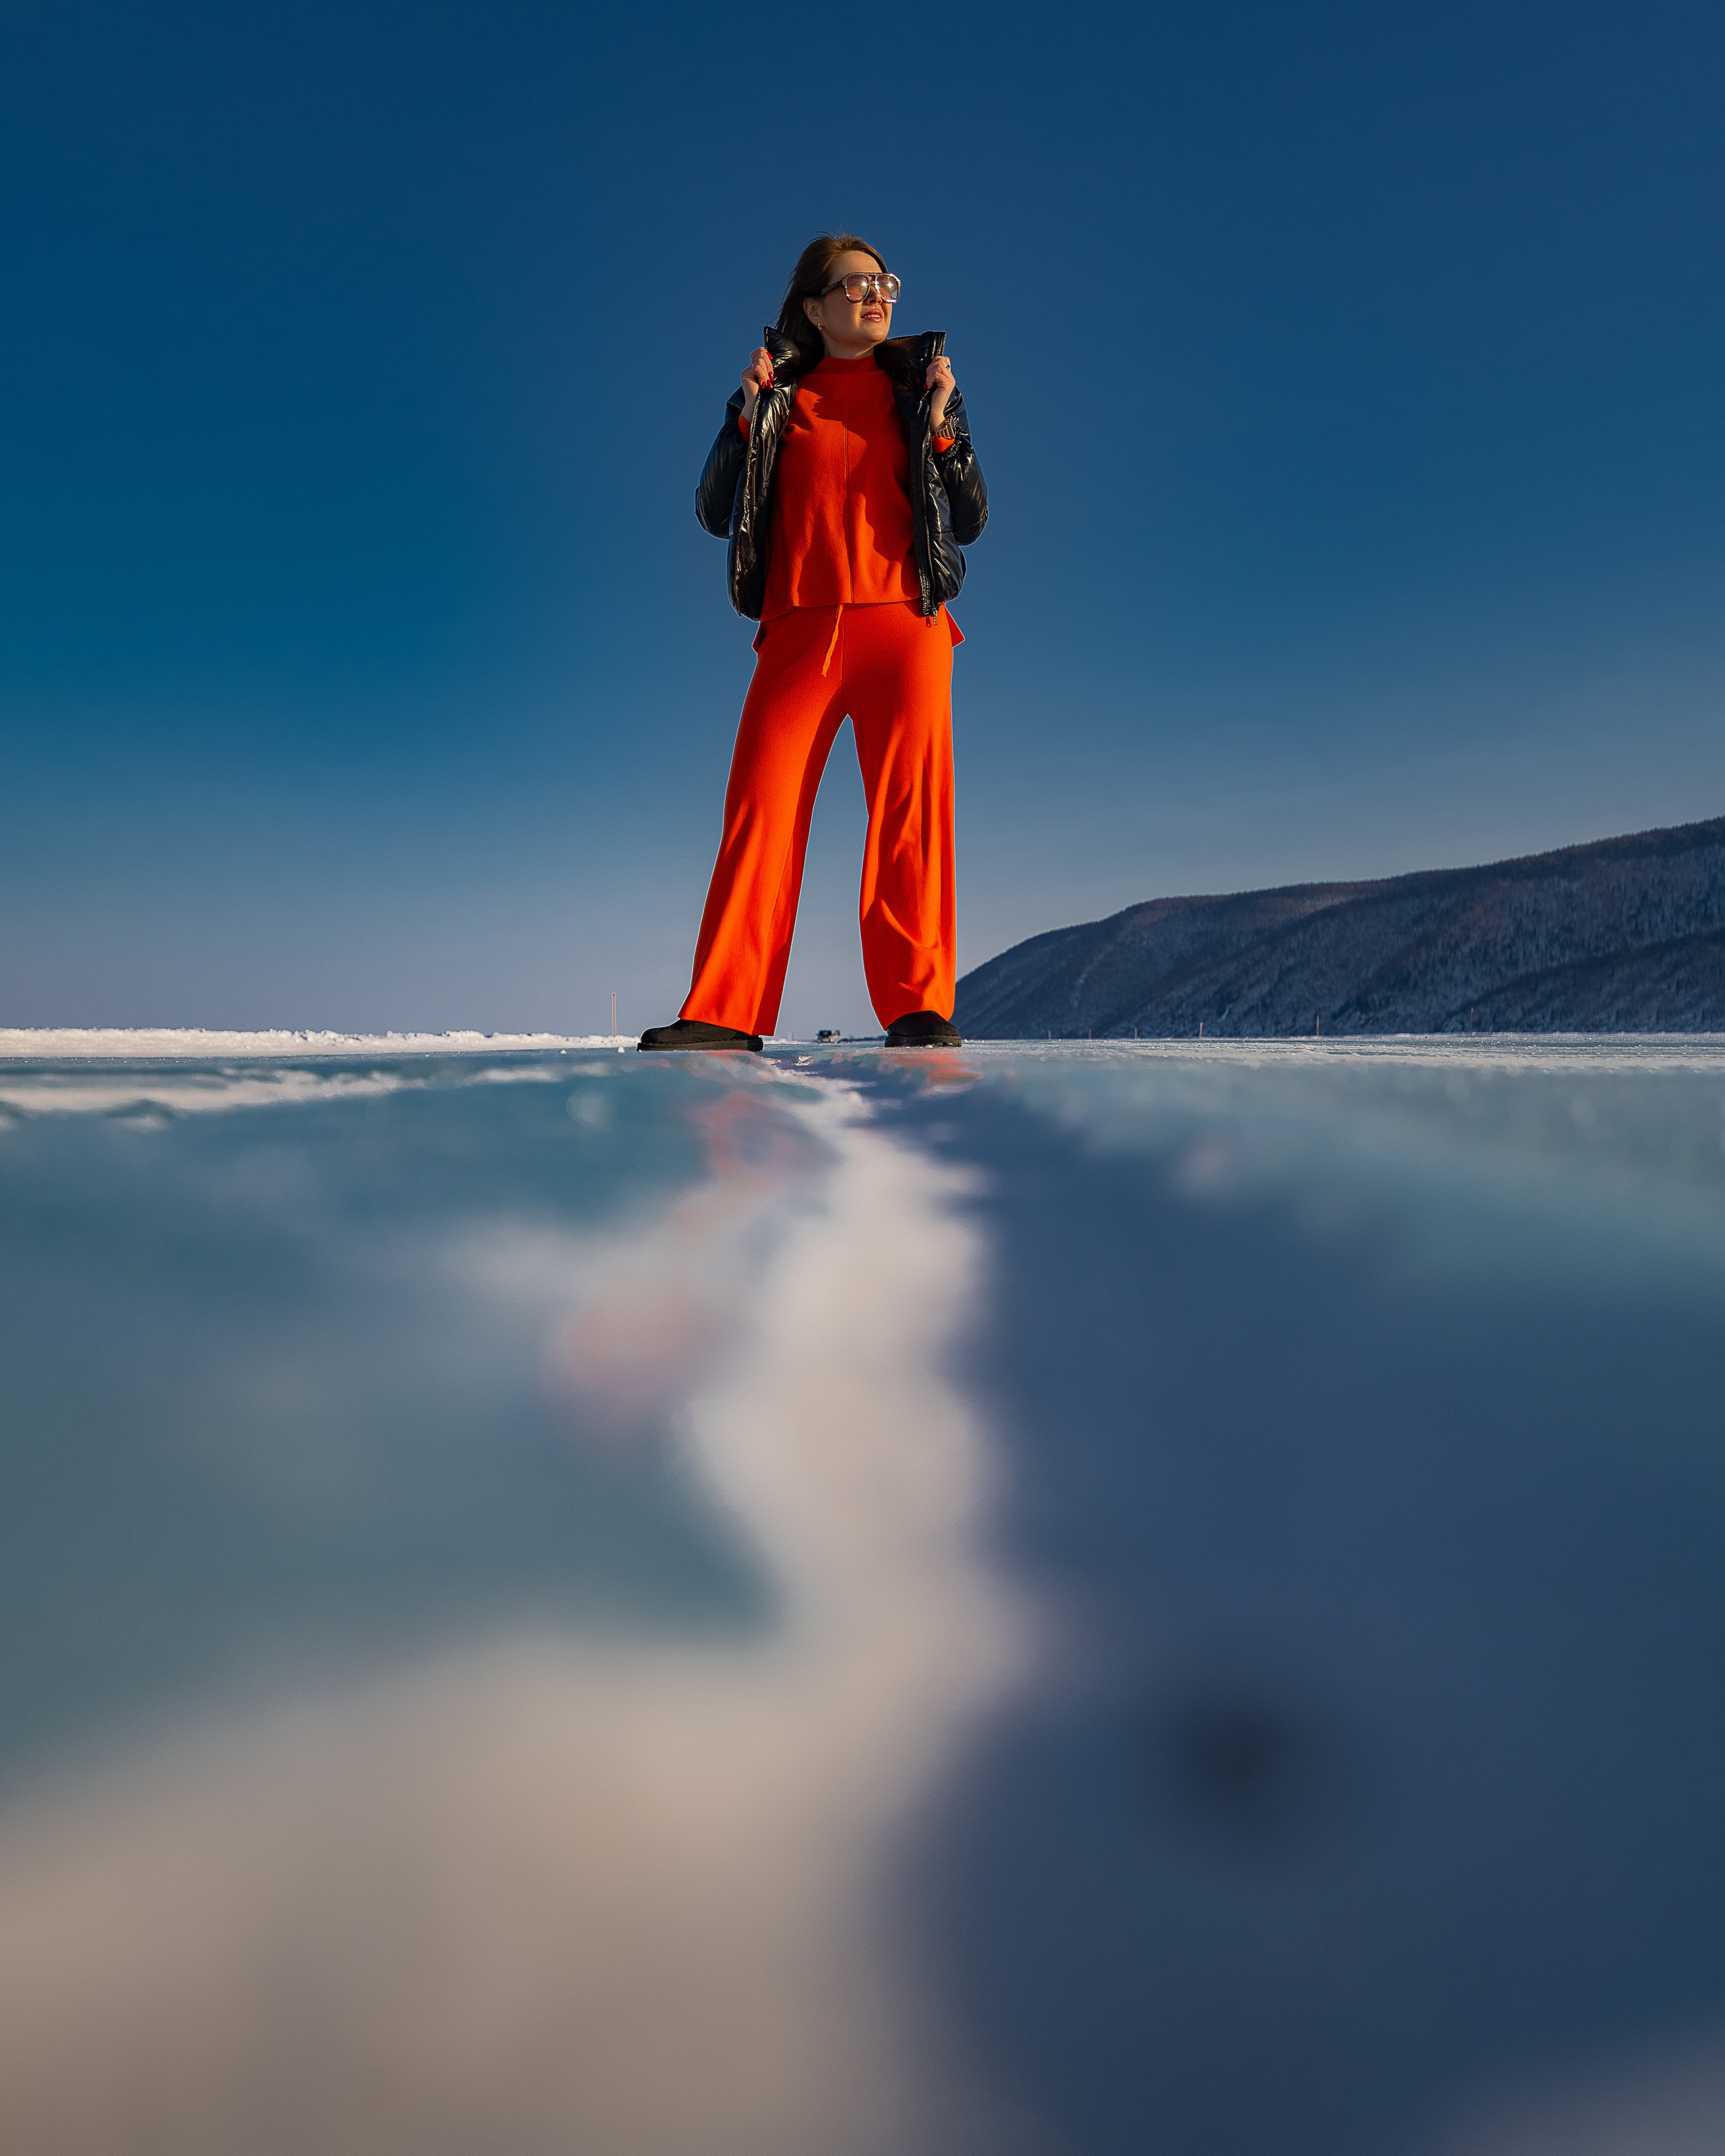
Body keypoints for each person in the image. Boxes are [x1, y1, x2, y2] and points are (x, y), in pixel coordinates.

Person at [638, 232, 987, 1052]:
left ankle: (918, 1007)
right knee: (760, 810)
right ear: (812, 306)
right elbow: (714, 509)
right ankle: (725, 1011)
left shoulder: (920, 389)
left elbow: (969, 518)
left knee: (910, 816)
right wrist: (742, 412)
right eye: (856, 283)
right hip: (797, 630)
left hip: (904, 622)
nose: (877, 296)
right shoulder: (778, 396)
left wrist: (943, 429)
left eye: (885, 282)